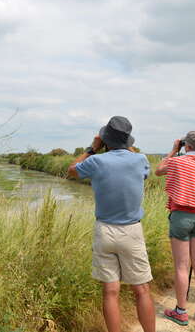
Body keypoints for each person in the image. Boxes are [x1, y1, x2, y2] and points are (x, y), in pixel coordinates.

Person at [67, 116, 155, 332]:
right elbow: (142, 171)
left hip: (104, 230)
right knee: (142, 289)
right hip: (132, 231)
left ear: (106, 140)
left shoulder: (96, 162)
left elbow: (72, 170)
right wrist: (127, 146)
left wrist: (92, 148)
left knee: (110, 291)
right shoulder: (140, 160)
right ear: (128, 141)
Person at [155, 131, 195, 326]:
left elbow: (159, 170)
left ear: (186, 145)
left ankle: (181, 311)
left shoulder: (178, 162)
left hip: (181, 216)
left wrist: (175, 149)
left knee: (182, 266)